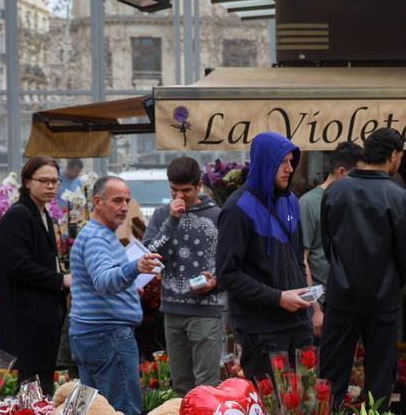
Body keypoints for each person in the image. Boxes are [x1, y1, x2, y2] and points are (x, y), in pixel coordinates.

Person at [320, 128, 406, 406]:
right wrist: (394, 281)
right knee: (379, 377)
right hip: (384, 295)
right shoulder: (398, 195)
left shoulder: (336, 189)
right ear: (394, 155)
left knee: (332, 373)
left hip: (341, 291)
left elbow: (328, 243)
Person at [216, 132, 313, 383]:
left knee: (303, 406)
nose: (289, 169)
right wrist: (278, 298)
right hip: (262, 331)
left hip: (298, 325)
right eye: (283, 162)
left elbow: (298, 257)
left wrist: (308, 299)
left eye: (292, 162)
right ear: (265, 163)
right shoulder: (237, 209)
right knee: (271, 411)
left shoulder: (291, 201)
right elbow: (227, 274)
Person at [69, 176, 161, 415]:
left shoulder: (96, 234)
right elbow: (103, 281)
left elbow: (100, 282)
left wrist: (130, 288)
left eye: (127, 201)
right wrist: (134, 268)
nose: (124, 207)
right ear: (97, 201)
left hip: (92, 334)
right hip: (108, 336)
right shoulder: (98, 238)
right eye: (117, 200)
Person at [143, 157, 226, 395]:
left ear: (199, 185)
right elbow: (150, 254)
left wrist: (214, 283)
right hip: (172, 309)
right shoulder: (162, 215)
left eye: (186, 190)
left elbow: (232, 262)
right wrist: (172, 221)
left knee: (206, 386)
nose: (179, 197)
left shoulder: (217, 215)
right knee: (180, 386)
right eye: (174, 190)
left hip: (206, 310)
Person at [0, 157, 69, 395]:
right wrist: (60, 280)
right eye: (43, 181)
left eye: (54, 181)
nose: (50, 186)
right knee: (30, 382)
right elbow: (18, 265)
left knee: (41, 380)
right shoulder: (18, 215)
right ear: (27, 182)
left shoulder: (43, 214)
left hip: (43, 314)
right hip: (25, 316)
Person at [299, 141, 363, 336]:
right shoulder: (308, 203)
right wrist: (315, 309)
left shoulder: (355, 201)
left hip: (351, 297)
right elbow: (303, 259)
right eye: (358, 175)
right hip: (324, 299)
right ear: (342, 172)